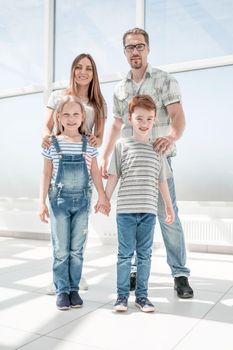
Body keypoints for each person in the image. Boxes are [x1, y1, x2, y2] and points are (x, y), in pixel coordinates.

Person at [101, 27, 193, 299]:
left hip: (157, 161)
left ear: (148, 49)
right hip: (129, 164)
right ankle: (131, 271)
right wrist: (106, 155)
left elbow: (178, 117)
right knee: (131, 217)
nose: (135, 51)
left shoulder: (165, 80)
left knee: (168, 216)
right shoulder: (120, 89)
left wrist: (170, 137)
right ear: (125, 52)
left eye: (140, 46)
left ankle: (180, 274)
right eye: (130, 47)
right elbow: (116, 124)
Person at [42, 53, 107, 292]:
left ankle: (76, 276)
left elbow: (99, 137)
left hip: (83, 165)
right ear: (72, 70)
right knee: (60, 236)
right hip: (59, 157)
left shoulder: (98, 103)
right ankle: (59, 280)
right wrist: (45, 139)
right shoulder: (58, 96)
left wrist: (94, 140)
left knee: (79, 232)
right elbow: (46, 126)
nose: (83, 72)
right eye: (78, 67)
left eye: (88, 68)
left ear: (93, 73)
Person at [103, 95, 175, 312]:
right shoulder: (121, 145)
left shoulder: (158, 149)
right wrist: (105, 199)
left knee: (144, 255)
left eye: (149, 119)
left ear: (154, 120)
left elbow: (162, 180)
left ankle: (142, 297)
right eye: (139, 118)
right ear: (130, 118)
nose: (144, 124)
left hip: (149, 212)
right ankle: (121, 297)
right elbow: (114, 175)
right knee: (125, 255)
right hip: (125, 212)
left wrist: (169, 207)